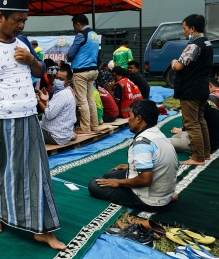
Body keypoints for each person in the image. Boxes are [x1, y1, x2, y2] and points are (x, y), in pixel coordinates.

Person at [0, 0, 65, 250]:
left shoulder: (23, 42)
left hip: (29, 117)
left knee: (38, 171)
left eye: (24, 20)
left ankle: (41, 229)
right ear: (0, 17)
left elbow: (40, 72)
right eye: (16, 20)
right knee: (1, 168)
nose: (21, 25)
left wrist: (32, 60)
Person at [88, 100, 178, 211]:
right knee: (109, 175)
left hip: (149, 200)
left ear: (138, 119)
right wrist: (132, 167)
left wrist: (118, 183)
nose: (128, 119)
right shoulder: (158, 134)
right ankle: (168, 196)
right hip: (164, 193)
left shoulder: (142, 143)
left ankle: (158, 199)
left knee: (94, 184)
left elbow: (145, 180)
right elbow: (157, 162)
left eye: (130, 116)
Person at [171, 14, 213, 166]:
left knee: (191, 123)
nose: (184, 32)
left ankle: (197, 157)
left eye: (184, 28)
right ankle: (205, 153)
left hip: (190, 89)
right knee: (200, 120)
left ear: (192, 28)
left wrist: (173, 62)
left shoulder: (194, 45)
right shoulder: (207, 43)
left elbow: (179, 66)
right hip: (201, 87)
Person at [66, 14, 100, 134]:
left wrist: (67, 57)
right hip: (93, 70)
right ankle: (94, 126)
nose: (75, 28)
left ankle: (85, 128)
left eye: (75, 25)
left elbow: (70, 54)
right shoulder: (94, 35)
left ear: (78, 24)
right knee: (90, 98)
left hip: (81, 71)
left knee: (81, 101)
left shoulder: (81, 34)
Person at [38, 64, 77, 145]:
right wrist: (47, 100)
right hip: (61, 134)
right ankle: (68, 135)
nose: (57, 80)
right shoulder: (67, 90)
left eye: (61, 79)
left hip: (54, 136)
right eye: (56, 77)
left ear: (68, 82)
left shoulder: (62, 94)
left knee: (29, 128)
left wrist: (38, 101)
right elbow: (54, 109)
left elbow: (49, 114)